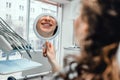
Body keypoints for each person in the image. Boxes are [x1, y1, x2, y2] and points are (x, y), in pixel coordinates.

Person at [42, 0, 120, 80]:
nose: (75, 20)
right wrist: (53, 60)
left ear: (86, 28)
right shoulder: (113, 71)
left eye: (79, 14)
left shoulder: (78, 71)